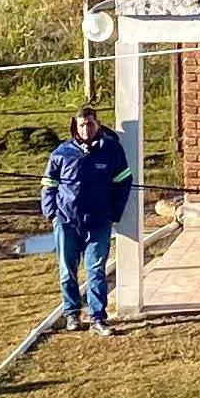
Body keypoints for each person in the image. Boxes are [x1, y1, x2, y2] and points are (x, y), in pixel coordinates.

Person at [39, 104, 135, 335]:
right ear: (75, 126)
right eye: (82, 125)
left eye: (90, 124)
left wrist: (114, 213)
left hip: (98, 223)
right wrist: (52, 213)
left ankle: (98, 318)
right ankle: (72, 313)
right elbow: (49, 184)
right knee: (67, 270)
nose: (86, 129)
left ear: (97, 124)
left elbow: (124, 180)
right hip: (66, 222)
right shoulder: (62, 153)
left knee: (96, 271)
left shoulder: (111, 151)